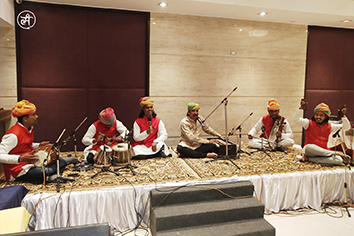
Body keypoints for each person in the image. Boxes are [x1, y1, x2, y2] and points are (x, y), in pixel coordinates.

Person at [0, 100, 76, 183]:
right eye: (34, 115)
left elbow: (23, 145)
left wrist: (38, 145)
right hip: (18, 171)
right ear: (25, 119)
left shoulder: (29, 128)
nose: (37, 116)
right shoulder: (13, 135)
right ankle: (49, 177)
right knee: (46, 170)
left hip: (30, 164)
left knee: (60, 161)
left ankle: (49, 178)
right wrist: (20, 158)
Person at [293, 99, 351, 165]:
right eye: (316, 114)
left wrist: (343, 117)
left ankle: (309, 159)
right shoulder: (308, 123)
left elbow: (346, 127)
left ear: (326, 116)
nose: (318, 117)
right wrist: (300, 108)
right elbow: (296, 119)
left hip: (323, 154)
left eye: (321, 115)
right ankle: (334, 153)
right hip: (311, 152)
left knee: (339, 160)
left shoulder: (330, 126)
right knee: (308, 147)